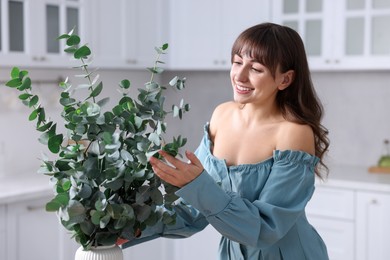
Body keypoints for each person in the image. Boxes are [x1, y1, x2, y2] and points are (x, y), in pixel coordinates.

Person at [123, 22, 330, 260]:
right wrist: (126, 227)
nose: (240, 76)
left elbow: (265, 229)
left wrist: (197, 184)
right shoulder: (222, 115)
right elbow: (193, 211)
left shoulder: (293, 132)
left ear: (285, 79)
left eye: (256, 69)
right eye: (237, 62)